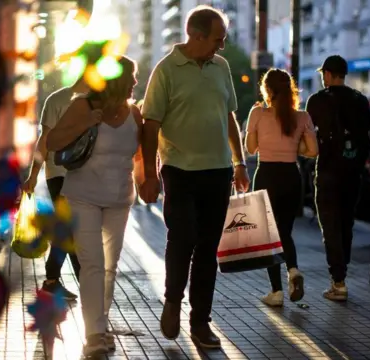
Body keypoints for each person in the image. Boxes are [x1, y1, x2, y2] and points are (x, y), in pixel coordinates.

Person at [139, 5, 249, 349]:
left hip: (218, 172)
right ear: (196, 35)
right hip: (179, 170)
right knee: (183, 237)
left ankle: (200, 322)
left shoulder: (222, 67)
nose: (222, 45)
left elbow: (229, 116)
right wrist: (148, 174)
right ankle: (173, 300)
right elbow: (150, 124)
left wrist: (240, 162)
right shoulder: (166, 70)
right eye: (218, 39)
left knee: (207, 249)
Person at [46, 56, 144, 357]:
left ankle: (99, 326)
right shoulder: (83, 105)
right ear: (115, 79)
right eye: (131, 76)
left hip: (119, 199)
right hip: (83, 196)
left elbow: (138, 155)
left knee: (110, 268)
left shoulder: (133, 113)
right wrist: (87, 123)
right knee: (92, 265)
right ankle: (95, 335)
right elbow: (52, 141)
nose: (135, 83)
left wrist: (148, 181)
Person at [245, 69, 318, 307]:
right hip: (291, 176)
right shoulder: (303, 117)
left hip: (266, 175)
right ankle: (293, 270)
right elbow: (313, 151)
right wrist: (293, 149)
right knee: (284, 232)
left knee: (269, 237)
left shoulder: (257, 113)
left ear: (268, 90)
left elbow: (251, 149)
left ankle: (276, 292)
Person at [305, 55, 370, 301]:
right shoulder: (361, 100)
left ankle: (338, 280)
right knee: (346, 225)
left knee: (330, 227)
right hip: (353, 174)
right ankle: (341, 276)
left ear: (329, 74)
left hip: (327, 172)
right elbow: (367, 139)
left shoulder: (317, 100)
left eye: (324, 74)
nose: (323, 78)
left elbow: (308, 137)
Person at [22, 80, 89, 301]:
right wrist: (33, 175)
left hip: (87, 175)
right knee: (72, 230)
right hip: (59, 174)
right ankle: (87, 283)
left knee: (69, 229)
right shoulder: (57, 100)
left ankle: (52, 281)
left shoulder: (99, 102)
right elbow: (44, 141)